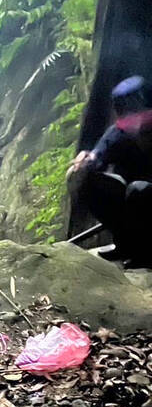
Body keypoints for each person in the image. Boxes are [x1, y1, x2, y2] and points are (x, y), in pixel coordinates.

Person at [67, 75, 152, 265]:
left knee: (139, 190)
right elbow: (97, 157)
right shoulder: (119, 133)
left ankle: (146, 252)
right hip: (133, 202)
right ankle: (126, 245)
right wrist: (85, 161)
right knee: (85, 179)